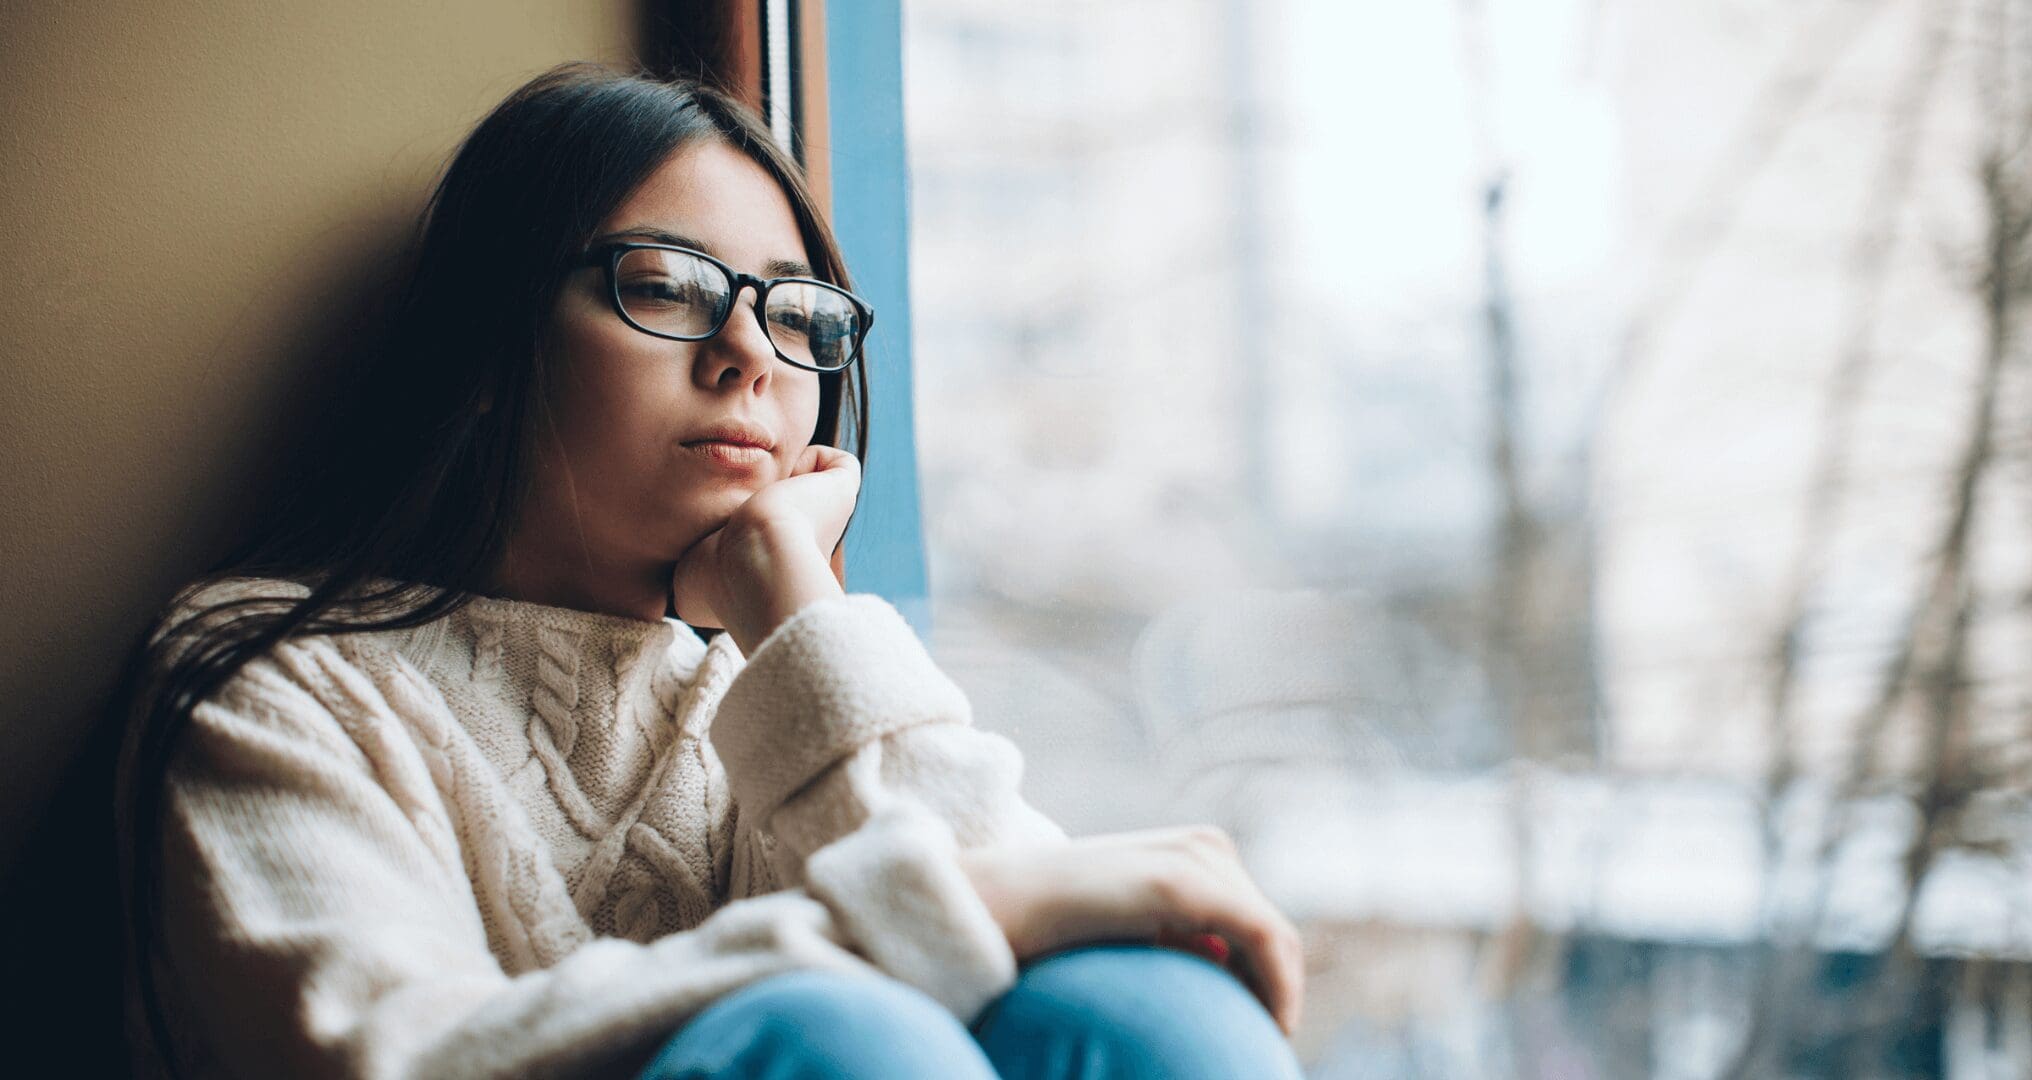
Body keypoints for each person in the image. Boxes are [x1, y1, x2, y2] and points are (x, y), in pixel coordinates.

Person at [112, 62, 1307, 1079]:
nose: (749, 352)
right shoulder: (269, 675)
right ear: (493, 339)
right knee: (836, 1037)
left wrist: (797, 604)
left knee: (1144, 1008)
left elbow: (1004, 918)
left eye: (797, 316)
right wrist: (957, 913)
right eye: (668, 288)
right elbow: (395, 1053)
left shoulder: (755, 686)